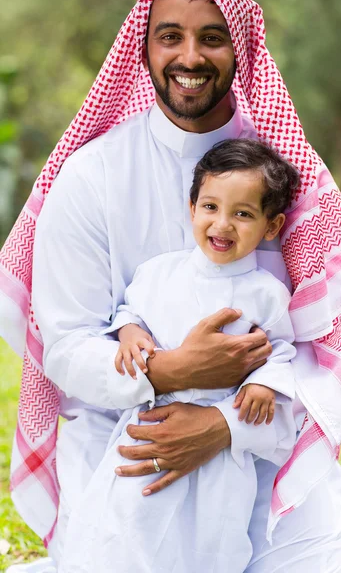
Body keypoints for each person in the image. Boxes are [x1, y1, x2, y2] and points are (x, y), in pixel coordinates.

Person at [0, 0, 341, 572]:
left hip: (263, 450)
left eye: (212, 37)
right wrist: (166, 371)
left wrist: (225, 425)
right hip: (124, 449)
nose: (190, 57)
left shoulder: (285, 180)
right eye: (169, 36)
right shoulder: (90, 175)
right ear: (142, 47)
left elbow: (318, 354)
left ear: (242, 46)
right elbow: (67, 345)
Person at [58, 138, 299, 572]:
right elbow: (130, 312)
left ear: (271, 225)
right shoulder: (160, 273)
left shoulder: (267, 295)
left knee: (209, 540)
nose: (222, 225)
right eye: (210, 207)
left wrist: (265, 383)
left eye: (242, 214)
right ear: (191, 209)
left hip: (220, 451)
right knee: (126, 527)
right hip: (148, 426)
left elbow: (281, 351)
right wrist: (130, 333)